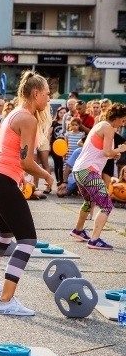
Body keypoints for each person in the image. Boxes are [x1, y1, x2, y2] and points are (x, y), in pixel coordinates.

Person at [0, 70, 54, 316]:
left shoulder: (12, 114)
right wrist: (46, 175)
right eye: (47, 94)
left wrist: (18, 174)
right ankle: (6, 300)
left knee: (5, 234)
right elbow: (26, 161)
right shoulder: (28, 119)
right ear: (36, 93)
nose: (49, 98)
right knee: (27, 240)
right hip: (0, 179)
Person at [69, 103, 126, 249]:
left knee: (89, 202)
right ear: (117, 117)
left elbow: (102, 152)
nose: (122, 124)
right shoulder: (108, 128)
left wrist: (114, 154)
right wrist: (119, 149)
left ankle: (78, 230)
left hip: (79, 170)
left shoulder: (101, 125)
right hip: (88, 171)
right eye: (123, 120)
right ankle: (94, 240)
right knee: (106, 205)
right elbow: (107, 152)